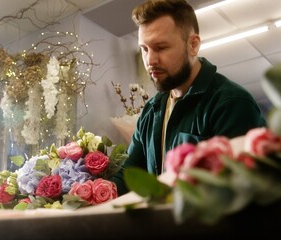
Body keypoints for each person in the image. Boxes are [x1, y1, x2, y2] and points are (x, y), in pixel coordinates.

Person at [112, 0, 266, 196]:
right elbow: (129, 174)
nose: (150, 60)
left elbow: (236, 192)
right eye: (145, 49)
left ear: (193, 45)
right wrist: (90, 196)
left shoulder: (231, 103)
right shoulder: (151, 110)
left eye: (160, 47)